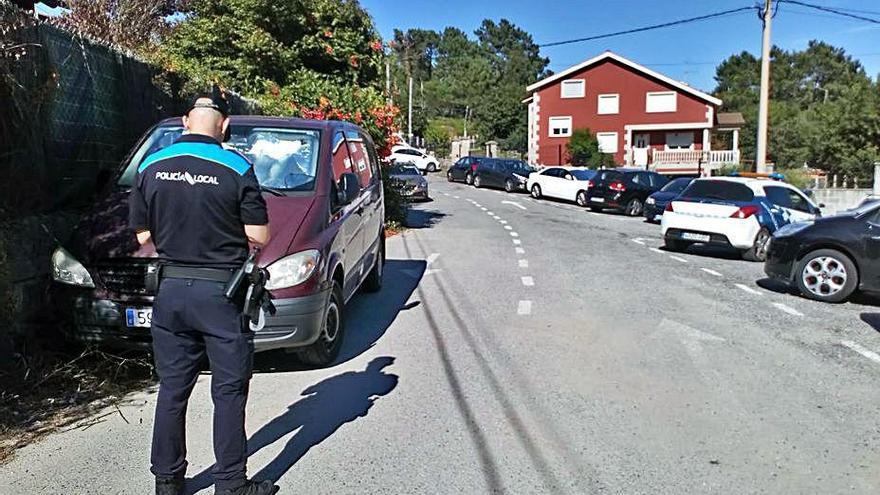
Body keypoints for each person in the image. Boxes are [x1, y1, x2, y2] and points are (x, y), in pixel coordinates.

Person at [129, 93, 278, 495]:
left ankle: (168, 482)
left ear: (184, 122)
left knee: (173, 388)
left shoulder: (150, 165)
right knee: (228, 390)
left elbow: (142, 234)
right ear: (224, 125)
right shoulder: (236, 166)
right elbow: (260, 235)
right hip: (220, 294)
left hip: (171, 291)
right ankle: (230, 485)